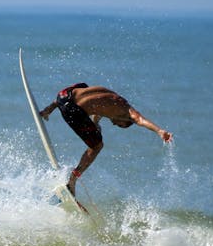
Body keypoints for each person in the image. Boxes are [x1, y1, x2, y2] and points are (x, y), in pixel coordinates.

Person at [39, 83, 173, 196]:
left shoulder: (113, 97)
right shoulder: (128, 112)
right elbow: (140, 120)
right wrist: (160, 131)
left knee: (84, 88)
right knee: (97, 146)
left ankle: (49, 109)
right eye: (119, 124)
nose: (114, 124)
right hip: (71, 110)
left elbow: (97, 111)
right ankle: (73, 180)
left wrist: (95, 124)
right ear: (125, 120)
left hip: (62, 95)